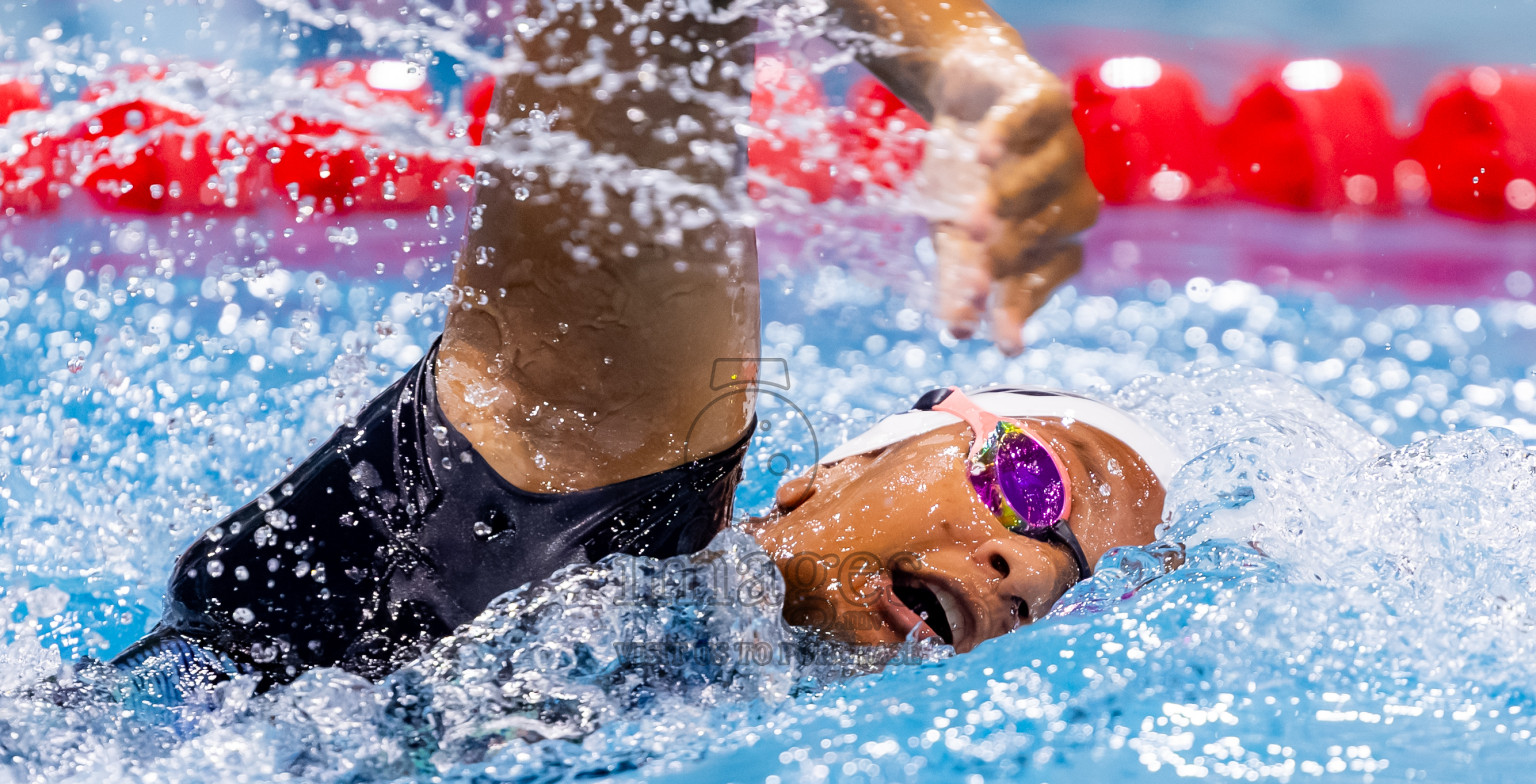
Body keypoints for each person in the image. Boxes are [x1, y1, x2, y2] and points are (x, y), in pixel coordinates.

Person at [112, 0, 1173, 695]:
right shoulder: (607, 479)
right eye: (1033, 480)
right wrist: (977, 71)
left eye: (1067, 591)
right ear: (829, 473)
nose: (1028, 572)